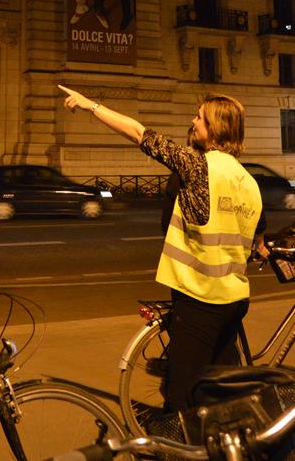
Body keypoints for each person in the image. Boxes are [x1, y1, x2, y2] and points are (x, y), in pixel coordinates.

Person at [59, 85, 264, 412]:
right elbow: (255, 242)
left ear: (215, 129)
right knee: (227, 388)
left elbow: (139, 133)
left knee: (180, 397)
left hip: (200, 300)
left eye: (199, 117)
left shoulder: (198, 166)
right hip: (234, 301)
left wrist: (90, 106)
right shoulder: (249, 182)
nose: (192, 121)